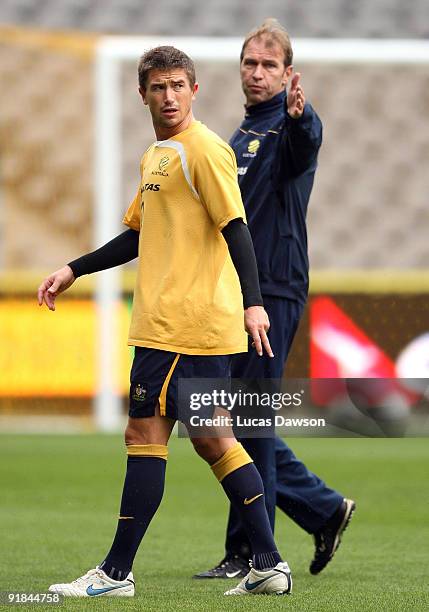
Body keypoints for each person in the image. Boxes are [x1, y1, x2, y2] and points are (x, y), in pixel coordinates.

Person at [38, 46, 293, 597]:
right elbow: (137, 235)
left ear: (195, 90)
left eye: (179, 85)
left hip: (180, 325)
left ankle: (115, 574)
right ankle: (269, 563)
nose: (169, 96)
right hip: (180, 325)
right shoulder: (158, 154)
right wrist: (73, 269)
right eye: (159, 87)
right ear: (143, 95)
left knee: (144, 435)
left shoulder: (203, 150)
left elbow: (236, 228)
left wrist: (254, 303)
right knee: (213, 440)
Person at [193, 19, 355, 581]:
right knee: (226, 417)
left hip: (274, 289)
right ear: (240, 68)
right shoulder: (239, 136)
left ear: (288, 75)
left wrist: (302, 116)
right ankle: (321, 508)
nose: (258, 73)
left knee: (242, 418)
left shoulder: (285, 129)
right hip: (236, 293)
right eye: (250, 63)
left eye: (269, 65)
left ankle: (248, 550)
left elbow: (307, 140)